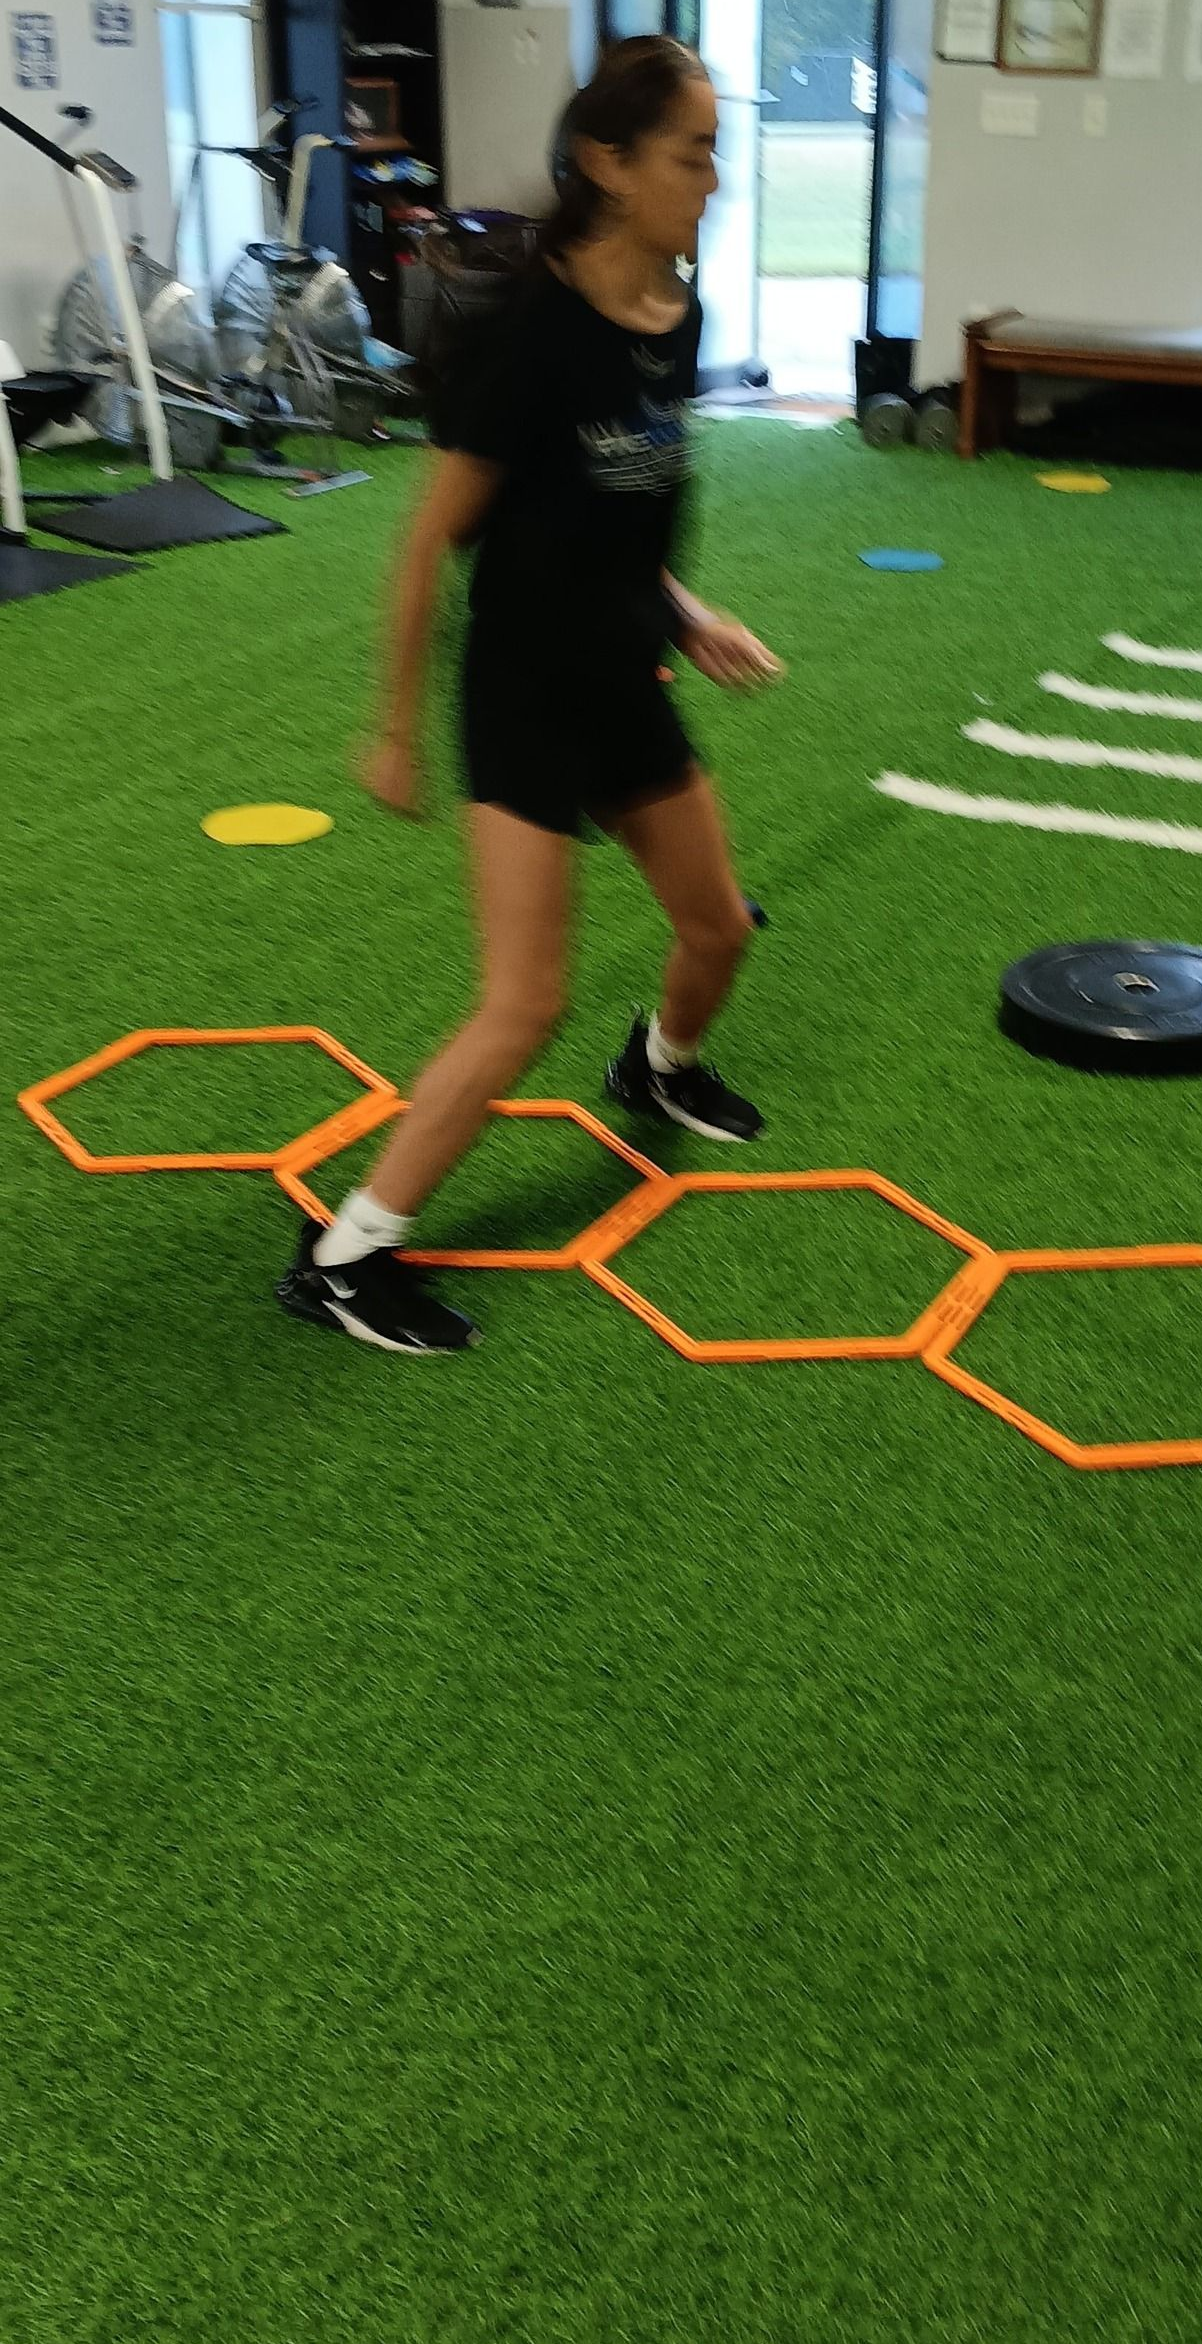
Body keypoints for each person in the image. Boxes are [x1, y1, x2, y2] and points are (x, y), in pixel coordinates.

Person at [276, 35, 783, 1355]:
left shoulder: (683, 316)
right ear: (608, 165)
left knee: (719, 927)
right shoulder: (531, 337)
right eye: (694, 151)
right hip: (524, 698)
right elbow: (426, 545)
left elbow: (624, 516)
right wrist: (392, 729)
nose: (715, 179)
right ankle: (344, 1256)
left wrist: (688, 612)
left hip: (624, 678)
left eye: (718, 149)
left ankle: (657, 1067)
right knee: (522, 1004)